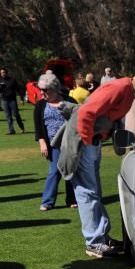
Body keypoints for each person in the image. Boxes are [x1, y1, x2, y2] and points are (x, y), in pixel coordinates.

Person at [72, 73, 135, 258]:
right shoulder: (119, 88)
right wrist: (88, 141)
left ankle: (101, 237)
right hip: (84, 141)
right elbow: (86, 112)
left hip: (91, 141)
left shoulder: (126, 89)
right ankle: (95, 242)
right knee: (87, 192)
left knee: (92, 191)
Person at [34, 74, 77, 211]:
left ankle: (72, 199)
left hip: (70, 143)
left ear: (54, 89)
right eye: (40, 90)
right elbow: (38, 126)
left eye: (45, 90)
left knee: (70, 170)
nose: (42, 93)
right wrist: (42, 142)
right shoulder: (41, 104)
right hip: (53, 144)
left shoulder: (70, 101)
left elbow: (78, 119)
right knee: (55, 171)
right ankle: (47, 202)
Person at [0, 67, 25, 135]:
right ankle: (11, 130)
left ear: (6, 73)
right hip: (4, 100)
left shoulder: (12, 80)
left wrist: (21, 99)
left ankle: (21, 127)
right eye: (1, 73)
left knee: (16, 114)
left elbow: (18, 89)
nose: (2, 74)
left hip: (12, 100)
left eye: (3, 72)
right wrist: (0, 88)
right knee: (8, 116)